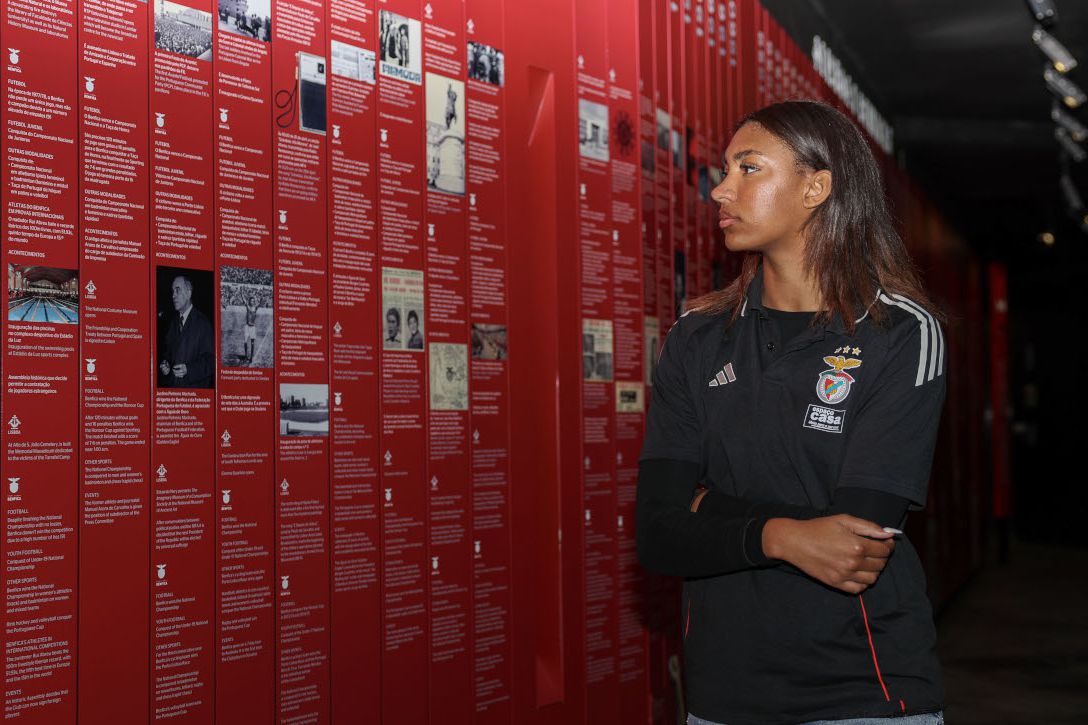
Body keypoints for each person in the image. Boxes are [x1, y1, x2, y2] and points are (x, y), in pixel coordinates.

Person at [637, 100, 946, 725]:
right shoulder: (696, 338)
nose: (721, 190)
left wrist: (706, 506)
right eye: (725, 170)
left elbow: (854, 546)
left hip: (864, 697)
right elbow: (657, 533)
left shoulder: (900, 333)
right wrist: (783, 536)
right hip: (722, 699)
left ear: (816, 187)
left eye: (748, 168)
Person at [159, 274, 214, 388]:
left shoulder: (203, 323)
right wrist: (166, 364)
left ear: (188, 293)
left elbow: (211, 361)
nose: (173, 295)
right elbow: (168, 352)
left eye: (177, 290)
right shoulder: (173, 322)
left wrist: (189, 370)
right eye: (173, 291)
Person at [243, 294, 259, 364]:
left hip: (253, 327)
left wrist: (257, 297)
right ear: (249, 301)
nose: (252, 302)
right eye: (251, 301)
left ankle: (251, 357)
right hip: (247, 327)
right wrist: (242, 294)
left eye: (253, 301)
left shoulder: (255, 308)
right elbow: (244, 300)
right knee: (245, 342)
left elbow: (260, 302)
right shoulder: (248, 307)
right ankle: (246, 355)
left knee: (252, 343)